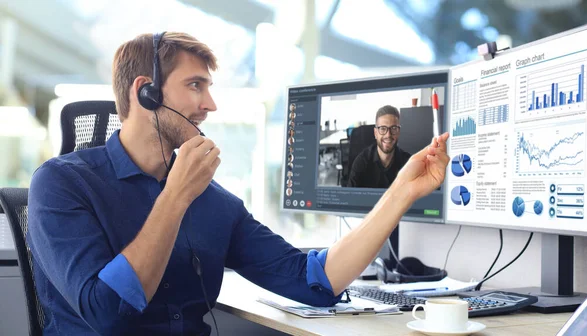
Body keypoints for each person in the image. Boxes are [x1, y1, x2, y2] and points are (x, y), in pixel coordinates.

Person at [27, 32, 450, 335]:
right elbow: (107, 313)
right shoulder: (61, 184)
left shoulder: (214, 203)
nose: (209, 105)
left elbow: (315, 281)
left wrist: (401, 192)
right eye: (195, 86)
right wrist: (174, 197)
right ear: (145, 93)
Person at [347, 105, 412, 188]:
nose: (388, 135)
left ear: (399, 132)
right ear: (375, 133)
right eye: (382, 128)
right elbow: (350, 198)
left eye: (393, 128)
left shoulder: (409, 163)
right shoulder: (361, 162)